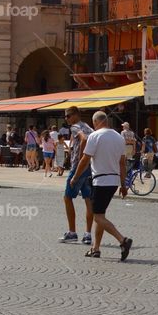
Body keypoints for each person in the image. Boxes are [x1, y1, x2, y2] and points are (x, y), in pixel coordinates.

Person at [75, 111, 131, 261]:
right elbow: (122, 164)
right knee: (101, 215)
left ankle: (122, 240)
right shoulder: (119, 137)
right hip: (113, 182)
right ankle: (96, 248)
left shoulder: (94, 136)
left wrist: (75, 177)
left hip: (100, 181)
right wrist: (124, 185)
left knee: (97, 216)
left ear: (95, 122)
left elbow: (85, 159)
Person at [59, 106, 94, 246]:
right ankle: (88, 234)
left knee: (67, 197)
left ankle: (72, 232)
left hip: (79, 167)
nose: (66, 119)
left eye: (68, 116)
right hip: (90, 167)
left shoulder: (75, 127)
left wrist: (80, 160)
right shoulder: (88, 127)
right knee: (88, 199)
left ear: (75, 115)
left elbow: (84, 139)